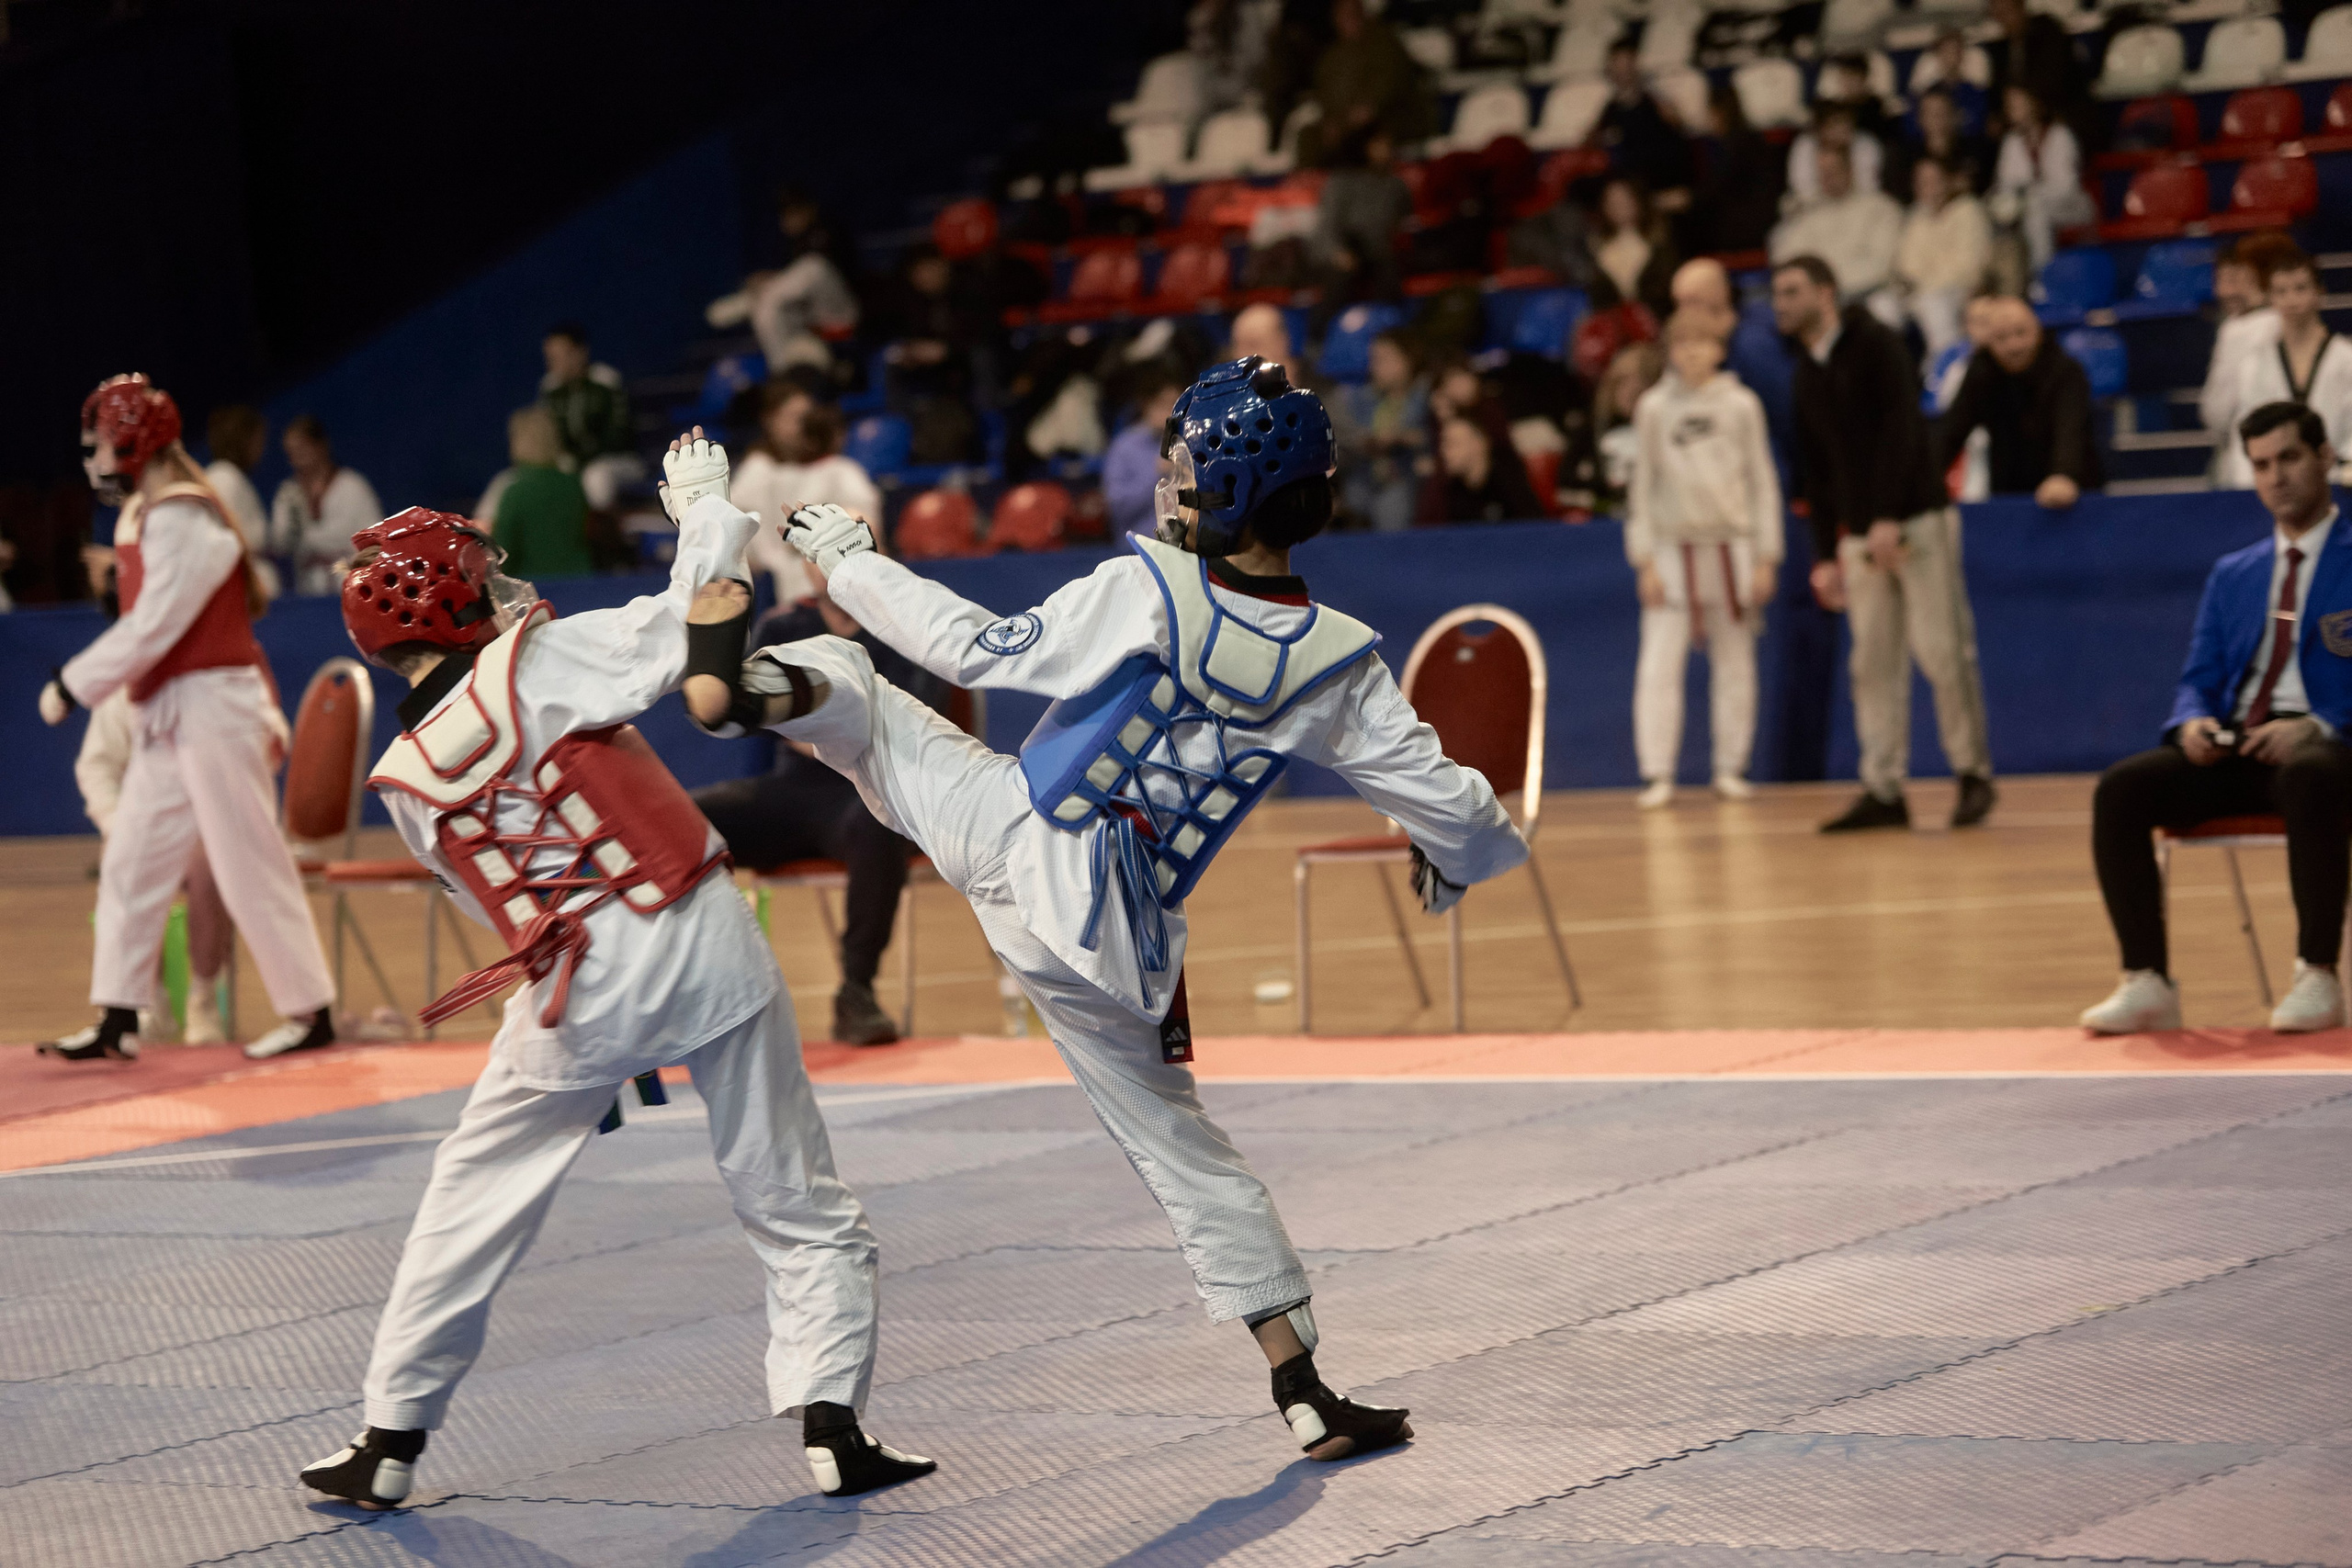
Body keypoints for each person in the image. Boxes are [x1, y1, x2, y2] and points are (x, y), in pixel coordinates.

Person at [682, 355, 1531, 1470]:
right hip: (1116, 944)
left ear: (1222, 492)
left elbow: (967, 648)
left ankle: (739, 690)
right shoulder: (1339, 666)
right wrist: (1451, 857)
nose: (1168, 485)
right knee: (1188, 1157)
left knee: (848, 677)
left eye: (1184, 468)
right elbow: (1458, 804)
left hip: (1008, 832)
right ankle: (1304, 1389)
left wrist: (849, 558)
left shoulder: (1148, 590)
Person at [297, 442, 933, 1510]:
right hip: (692, 940)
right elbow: (694, 612)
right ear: (447, 603)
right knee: (791, 1194)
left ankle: (388, 1434)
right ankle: (833, 1423)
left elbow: (484, 904)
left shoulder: (401, 780)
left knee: (469, 1201)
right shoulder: (541, 663)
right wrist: (703, 507)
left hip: (571, 995)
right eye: (481, 579)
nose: (507, 591)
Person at [36, 375, 336, 1063]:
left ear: (134, 441)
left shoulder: (184, 516)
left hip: (212, 705)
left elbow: (154, 626)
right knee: (133, 859)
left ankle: (309, 1008)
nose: (97, 460)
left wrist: (70, 683)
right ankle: (117, 1014)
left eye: (105, 443)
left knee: (246, 858)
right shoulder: (152, 514)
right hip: (172, 708)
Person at [2081, 402, 2352, 1036]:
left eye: (2288, 458)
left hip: (2331, 748)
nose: (2275, 477)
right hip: (2242, 746)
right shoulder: (2234, 574)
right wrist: (2192, 724)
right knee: (2122, 788)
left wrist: (2320, 722)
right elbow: (2197, 680)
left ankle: (2319, 973)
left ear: (2324, 458)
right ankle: (2146, 980)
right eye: (2260, 464)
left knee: (2312, 774)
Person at [1772, 257, 1997, 832]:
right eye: (1777, 293)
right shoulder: (1804, 371)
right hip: (1857, 534)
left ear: (1825, 294)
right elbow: (1816, 472)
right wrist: (1826, 553)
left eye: (1792, 291)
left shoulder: (1877, 343)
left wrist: (1888, 515)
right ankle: (1883, 788)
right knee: (1870, 663)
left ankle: (1972, 775)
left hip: (1916, 519)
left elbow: (1903, 429)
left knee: (1943, 651)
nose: (1781, 303)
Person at [692, 565, 944, 1045]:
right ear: (801, 562)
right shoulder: (783, 625)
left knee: (880, 822)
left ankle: (857, 993)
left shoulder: (904, 626)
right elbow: (737, 708)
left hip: (864, 788)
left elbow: (907, 722)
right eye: (809, 549)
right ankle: (694, 989)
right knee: (682, 817)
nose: (823, 558)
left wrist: (814, 728)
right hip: (792, 789)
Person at [1627, 312, 1784, 807]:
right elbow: (1642, 489)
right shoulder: (1652, 407)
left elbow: (1762, 481)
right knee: (1658, 664)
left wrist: (1766, 558)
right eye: (1682, 344)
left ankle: (1730, 768)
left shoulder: (1741, 404)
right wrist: (1645, 560)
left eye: (1702, 342)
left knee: (1736, 663)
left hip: (1732, 546)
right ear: (1670, 351)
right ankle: (1658, 774)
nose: (1692, 352)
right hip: (1673, 549)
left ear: (1720, 349)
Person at [75, 687, 238, 1045]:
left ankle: (203, 999)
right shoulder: (123, 691)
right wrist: (117, 826)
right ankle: (148, 1004)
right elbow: (96, 766)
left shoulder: (218, 681)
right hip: (144, 824)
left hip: (209, 825)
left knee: (208, 867)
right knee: (126, 857)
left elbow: (265, 743)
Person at [1934, 297, 2101, 507]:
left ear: (2038, 331)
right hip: (2009, 497)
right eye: (2001, 338)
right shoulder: (1981, 373)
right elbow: (1951, 432)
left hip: (2074, 497)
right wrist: (1924, 482)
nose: (2013, 345)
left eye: (2021, 333)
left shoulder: (2066, 371)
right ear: (1989, 342)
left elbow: (2070, 430)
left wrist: (2064, 475)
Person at [734, 382, 885, 608]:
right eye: (794, 417)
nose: (802, 426)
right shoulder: (759, 470)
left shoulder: (836, 471)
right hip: (796, 594)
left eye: (808, 418)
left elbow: (867, 530)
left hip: (832, 590)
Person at [2215, 247, 2352, 491]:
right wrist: (2250, 485)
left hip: (2338, 484)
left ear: (2319, 292)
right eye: (2281, 291)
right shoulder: (2255, 364)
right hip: (2274, 484)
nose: (2291, 299)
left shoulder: (2346, 358)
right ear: (2270, 298)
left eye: (2300, 288)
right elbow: (2247, 432)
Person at [706, 188, 861, 377]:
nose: (790, 220)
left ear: (811, 209)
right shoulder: (791, 245)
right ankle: (781, 373)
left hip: (840, 311)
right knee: (763, 303)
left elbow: (829, 273)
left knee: (813, 267)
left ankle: (753, 298)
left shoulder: (829, 231)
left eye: (795, 212)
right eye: (786, 214)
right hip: (809, 321)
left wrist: (774, 281)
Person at [2201, 232, 2295, 475]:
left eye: (2242, 277)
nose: (2229, 290)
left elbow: (2217, 412)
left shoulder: (2241, 330)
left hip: (2252, 462)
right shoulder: (2287, 324)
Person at [1770, 145, 1904, 307]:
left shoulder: (1881, 208)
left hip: (1871, 294)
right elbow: (1787, 260)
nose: (1827, 176)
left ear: (1849, 170)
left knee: (1884, 307)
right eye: (1822, 171)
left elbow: (1882, 265)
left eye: (1833, 169)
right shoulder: (1808, 214)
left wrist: (1828, 285)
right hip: (1821, 300)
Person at [1891, 157, 1992, 366]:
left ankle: (1945, 373)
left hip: (1961, 291)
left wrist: (1927, 283)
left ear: (1948, 181)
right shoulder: (1915, 217)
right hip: (1916, 293)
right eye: (1922, 182)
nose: (1929, 188)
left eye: (1934, 180)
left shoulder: (1968, 210)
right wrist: (1920, 284)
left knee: (1934, 305)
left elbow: (1968, 267)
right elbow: (1905, 264)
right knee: (1881, 308)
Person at [1308, 0, 1437, 163]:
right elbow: (1325, 95)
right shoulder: (1332, 57)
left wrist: (1368, 108)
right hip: (1347, 122)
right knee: (1310, 136)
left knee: (1368, 136)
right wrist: (1332, 120)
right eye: (1342, 15)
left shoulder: (1385, 43)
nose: (1348, 19)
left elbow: (1392, 83)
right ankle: (1313, 185)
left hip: (1391, 115)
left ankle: (1376, 184)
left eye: (1353, 13)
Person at [270, 414, 383, 595]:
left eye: (302, 449)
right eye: (291, 453)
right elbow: (280, 543)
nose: (297, 458)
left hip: (351, 585)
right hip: (307, 588)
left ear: (321, 446)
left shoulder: (352, 485)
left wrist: (312, 538)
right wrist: (292, 526)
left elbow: (374, 539)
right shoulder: (288, 492)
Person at [539, 323, 646, 513]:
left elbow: (618, 438)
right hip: (571, 465)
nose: (553, 363)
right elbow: (547, 438)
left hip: (620, 461)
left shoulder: (606, 382)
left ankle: (601, 538)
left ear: (581, 352)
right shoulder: (551, 389)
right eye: (550, 357)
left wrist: (575, 459)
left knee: (596, 476)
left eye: (560, 356)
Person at [1991, 86, 2091, 276]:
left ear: (2034, 104)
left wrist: (2029, 193)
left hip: (2073, 206)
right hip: (2029, 209)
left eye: (2018, 104)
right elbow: (2006, 185)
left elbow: (2067, 187)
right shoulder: (2011, 142)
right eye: (2010, 106)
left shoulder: (2059, 135)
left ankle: (2043, 276)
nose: (2014, 111)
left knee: (2036, 208)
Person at [489, 406, 594, 578]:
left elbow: (503, 553)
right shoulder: (573, 484)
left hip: (534, 588)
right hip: (581, 580)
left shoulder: (515, 491)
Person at [1341, 331, 1429, 533]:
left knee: (1392, 501)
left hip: (1407, 475)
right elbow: (1349, 436)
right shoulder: (1362, 399)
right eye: (1373, 360)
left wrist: (1401, 438)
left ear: (1408, 360)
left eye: (1384, 360)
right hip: (1365, 476)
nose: (1375, 367)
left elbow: (1433, 436)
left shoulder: (1425, 396)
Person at [1687, 82, 1783, 257]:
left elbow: (1714, 189)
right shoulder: (1749, 139)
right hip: (1759, 220)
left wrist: (1686, 198)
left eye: (1709, 112)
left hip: (1748, 228)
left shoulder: (1736, 145)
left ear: (1719, 113)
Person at [1592, 39, 1694, 204]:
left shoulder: (1656, 102)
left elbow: (1678, 129)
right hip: (1632, 190)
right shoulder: (1610, 109)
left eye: (1627, 63)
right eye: (1617, 64)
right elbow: (1593, 141)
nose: (1622, 70)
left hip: (1664, 183)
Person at [202, 404, 277, 601]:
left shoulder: (231, 476)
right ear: (243, 441)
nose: (262, 448)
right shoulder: (224, 477)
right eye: (258, 440)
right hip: (241, 589)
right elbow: (224, 540)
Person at [1103, 367, 1186, 539]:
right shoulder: (1125, 447)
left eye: (1176, 404)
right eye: (1163, 403)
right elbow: (1117, 509)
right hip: (1136, 545)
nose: (1170, 411)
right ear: (1146, 404)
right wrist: (1157, 475)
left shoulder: (1189, 443)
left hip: (1183, 547)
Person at [1426, 413, 1544, 524]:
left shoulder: (1510, 485)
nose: (1444, 452)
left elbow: (1535, 531)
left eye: (1452, 444)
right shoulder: (1449, 490)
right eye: (1443, 444)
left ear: (1479, 444)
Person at [1585, 176, 1677, 320]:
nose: (1619, 206)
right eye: (1612, 201)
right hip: (1614, 329)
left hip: (1661, 322)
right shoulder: (1593, 247)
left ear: (1638, 201)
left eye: (1624, 199)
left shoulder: (1661, 243)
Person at [1786, 105, 1883, 215]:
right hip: (1817, 208)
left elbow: (1868, 188)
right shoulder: (1806, 146)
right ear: (1823, 128)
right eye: (1836, 125)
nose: (1842, 130)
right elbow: (1804, 190)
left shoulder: (1865, 146)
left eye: (1846, 125)